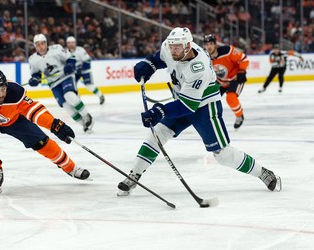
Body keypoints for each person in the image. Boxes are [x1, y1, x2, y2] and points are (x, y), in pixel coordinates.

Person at [117, 27, 282, 196]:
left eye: (177, 47)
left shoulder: (199, 67)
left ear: (188, 46)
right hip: (183, 100)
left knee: (222, 155)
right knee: (157, 134)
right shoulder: (172, 47)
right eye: (172, 46)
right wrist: (149, 65)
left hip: (205, 107)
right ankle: (134, 175)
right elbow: (159, 58)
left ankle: (262, 172)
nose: (173, 50)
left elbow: (187, 106)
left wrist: (159, 111)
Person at [0, 68, 91, 194]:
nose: (0, 94)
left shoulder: (15, 93)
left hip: (14, 120)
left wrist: (55, 125)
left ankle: (71, 168)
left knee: (43, 143)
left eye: (2, 89)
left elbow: (34, 110)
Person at [28, 34, 94, 133]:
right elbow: (36, 73)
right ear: (34, 46)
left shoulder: (57, 48)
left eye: (42, 43)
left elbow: (71, 58)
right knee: (66, 106)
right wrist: (35, 79)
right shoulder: (33, 60)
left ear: (46, 43)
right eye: (38, 44)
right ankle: (84, 124)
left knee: (69, 96)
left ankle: (86, 115)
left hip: (65, 76)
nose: (40, 46)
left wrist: (70, 64)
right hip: (53, 83)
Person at [203, 34, 249, 129]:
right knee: (209, 99)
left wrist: (241, 71)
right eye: (206, 44)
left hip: (235, 79)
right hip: (220, 81)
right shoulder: (204, 57)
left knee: (231, 98)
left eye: (211, 44)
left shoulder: (227, 51)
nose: (209, 46)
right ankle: (210, 120)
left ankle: (239, 116)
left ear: (215, 45)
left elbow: (244, 59)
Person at [66, 36, 105, 105]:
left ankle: (100, 96)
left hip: (85, 71)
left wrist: (80, 69)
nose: (71, 44)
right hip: (74, 73)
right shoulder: (65, 52)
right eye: (69, 43)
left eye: (72, 43)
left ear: (75, 43)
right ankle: (77, 101)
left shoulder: (80, 50)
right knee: (73, 87)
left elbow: (87, 61)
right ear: (67, 44)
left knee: (89, 86)